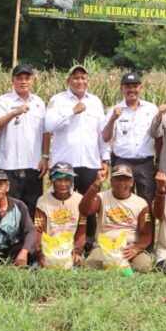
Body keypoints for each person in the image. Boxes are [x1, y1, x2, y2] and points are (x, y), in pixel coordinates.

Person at [44, 64, 108, 245]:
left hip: (90, 161)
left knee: (89, 204)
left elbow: (101, 134)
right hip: (65, 163)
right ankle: (63, 242)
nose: (80, 81)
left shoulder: (95, 101)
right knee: (64, 203)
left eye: (83, 78)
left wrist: (105, 158)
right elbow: (49, 127)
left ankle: (88, 244)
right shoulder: (58, 100)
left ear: (88, 80)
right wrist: (72, 112)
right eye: (75, 77)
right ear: (68, 80)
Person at [0, 63, 48, 212]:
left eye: (27, 78)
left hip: (34, 166)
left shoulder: (39, 102)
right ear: (12, 81)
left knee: (32, 209)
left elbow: (46, 132)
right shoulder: (4, 101)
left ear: (32, 80)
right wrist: (13, 113)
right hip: (10, 167)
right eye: (19, 78)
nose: (23, 81)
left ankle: (29, 236)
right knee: (9, 209)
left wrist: (45, 156)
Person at [79, 164, 154, 273]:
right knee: (91, 266)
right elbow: (84, 210)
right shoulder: (101, 197)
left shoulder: (141, 203)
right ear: (111, 181)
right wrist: (96, 184)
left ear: (132, 182)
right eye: (117, 179)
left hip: (129, 246)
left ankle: (124, 263)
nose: (122, 183)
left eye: (126, 180)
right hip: (105, 246)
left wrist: (136, 248)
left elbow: (146, 235)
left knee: (143, 267)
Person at [101, 71, 160, 202]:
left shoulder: (151, 109)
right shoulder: (114, 110)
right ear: (121, 88)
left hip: (146, 163)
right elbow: (105, 138)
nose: (131, 90)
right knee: (122, 201)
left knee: (147, 202)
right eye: (128, 86)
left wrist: (160, 161)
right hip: (122, 162)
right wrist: (112, 119)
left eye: (135, 86)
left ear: (141, 87)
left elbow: (158, 137)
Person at [34, 162, 86, 268]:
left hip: (70, 250)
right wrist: (40, 254)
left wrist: (77, 252)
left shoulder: (80, 200)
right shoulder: (43, 201)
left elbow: (82, 229)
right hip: (50, 248)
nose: (63, 184)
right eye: (59, 180)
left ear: (72, 181)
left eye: (67, 180)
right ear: (52, 181)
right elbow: (39, 230)